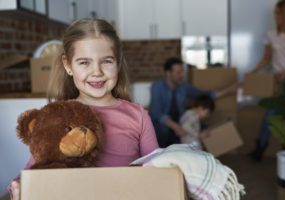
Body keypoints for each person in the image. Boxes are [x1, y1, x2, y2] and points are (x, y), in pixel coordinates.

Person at [9, 18, 158, 199]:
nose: (97, 71)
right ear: (68, 65)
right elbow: (34, 169)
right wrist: (18, 188)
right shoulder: (56, 116)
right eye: (84, 62)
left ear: (118, 63)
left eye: (107, 61)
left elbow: (157, 170)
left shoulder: (138, 115)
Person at [249, 0, 285, 161]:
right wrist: (253, 71)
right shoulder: (271, 34)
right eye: (275, 13)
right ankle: (260, 148)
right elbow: (266, 59)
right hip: (279, 82)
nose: (276, 16)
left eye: (278, 13)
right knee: (270, 115)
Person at [149, 57, 237, 148]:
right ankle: (162, 155)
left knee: (204, 128)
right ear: (168, 73)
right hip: (163, 124)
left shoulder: (183, 87)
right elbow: (157, 113)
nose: (182, 75)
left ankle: (200, 155)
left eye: (182, 72)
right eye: (178, 72)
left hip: (181, 120)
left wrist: (228, 90)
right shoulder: (157, 87)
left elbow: (204, 95)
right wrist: (176, 127)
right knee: (163, 130)